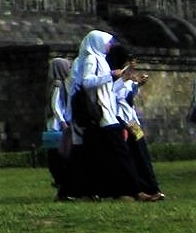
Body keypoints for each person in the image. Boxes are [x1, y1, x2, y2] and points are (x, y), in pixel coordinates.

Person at [69, 30, 142, 200]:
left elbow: (110, 90)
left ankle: (117, 191)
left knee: (106, 155)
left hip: (110, 114)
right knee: (121, 153)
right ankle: (133, 191)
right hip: (104, 115)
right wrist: (110, 75)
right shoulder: (91, 59)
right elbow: (87, 82)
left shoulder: (100, 59)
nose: (109, 46)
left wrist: (121, 77)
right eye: (107, 42)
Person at [107, 44, 164, 202]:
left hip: (131, 119)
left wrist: (136, 84)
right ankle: (138, 189)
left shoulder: (127, 76)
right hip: (120, 119)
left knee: (141, 152)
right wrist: (124, 79)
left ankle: (151, 187)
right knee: (132, 153)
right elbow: (109, 95)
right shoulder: (112, 75)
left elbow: (128, 96)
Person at [42, 57, 76, 201]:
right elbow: (55, 105)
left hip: (58, 125)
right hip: (57, 126)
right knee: (60, 156)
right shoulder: (58, 84)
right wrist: (62, 121)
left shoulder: (62, 84)